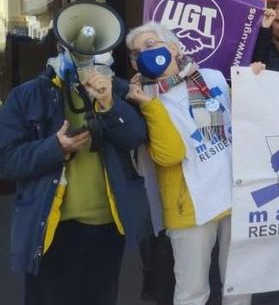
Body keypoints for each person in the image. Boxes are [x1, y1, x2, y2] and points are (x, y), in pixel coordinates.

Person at [0, 22, 148, 305]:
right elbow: (6, 160)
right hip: (52, 228)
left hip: (107, 227)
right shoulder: (27, 96)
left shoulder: (112, 91)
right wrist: (53, 148)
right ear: (60, 48)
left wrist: (109, 103)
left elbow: (135, 136)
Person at [125, 22, 250, 305]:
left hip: (234, 193)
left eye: (150, 45)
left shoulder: (213, 78)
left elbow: (241, 122)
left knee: (238, 284)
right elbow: (169, 155)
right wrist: (150, 106)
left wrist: (252, 83)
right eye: (135, 52)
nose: (142, 54)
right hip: (189, 206)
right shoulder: (140, 98)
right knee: (192, 292)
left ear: (173, 47)